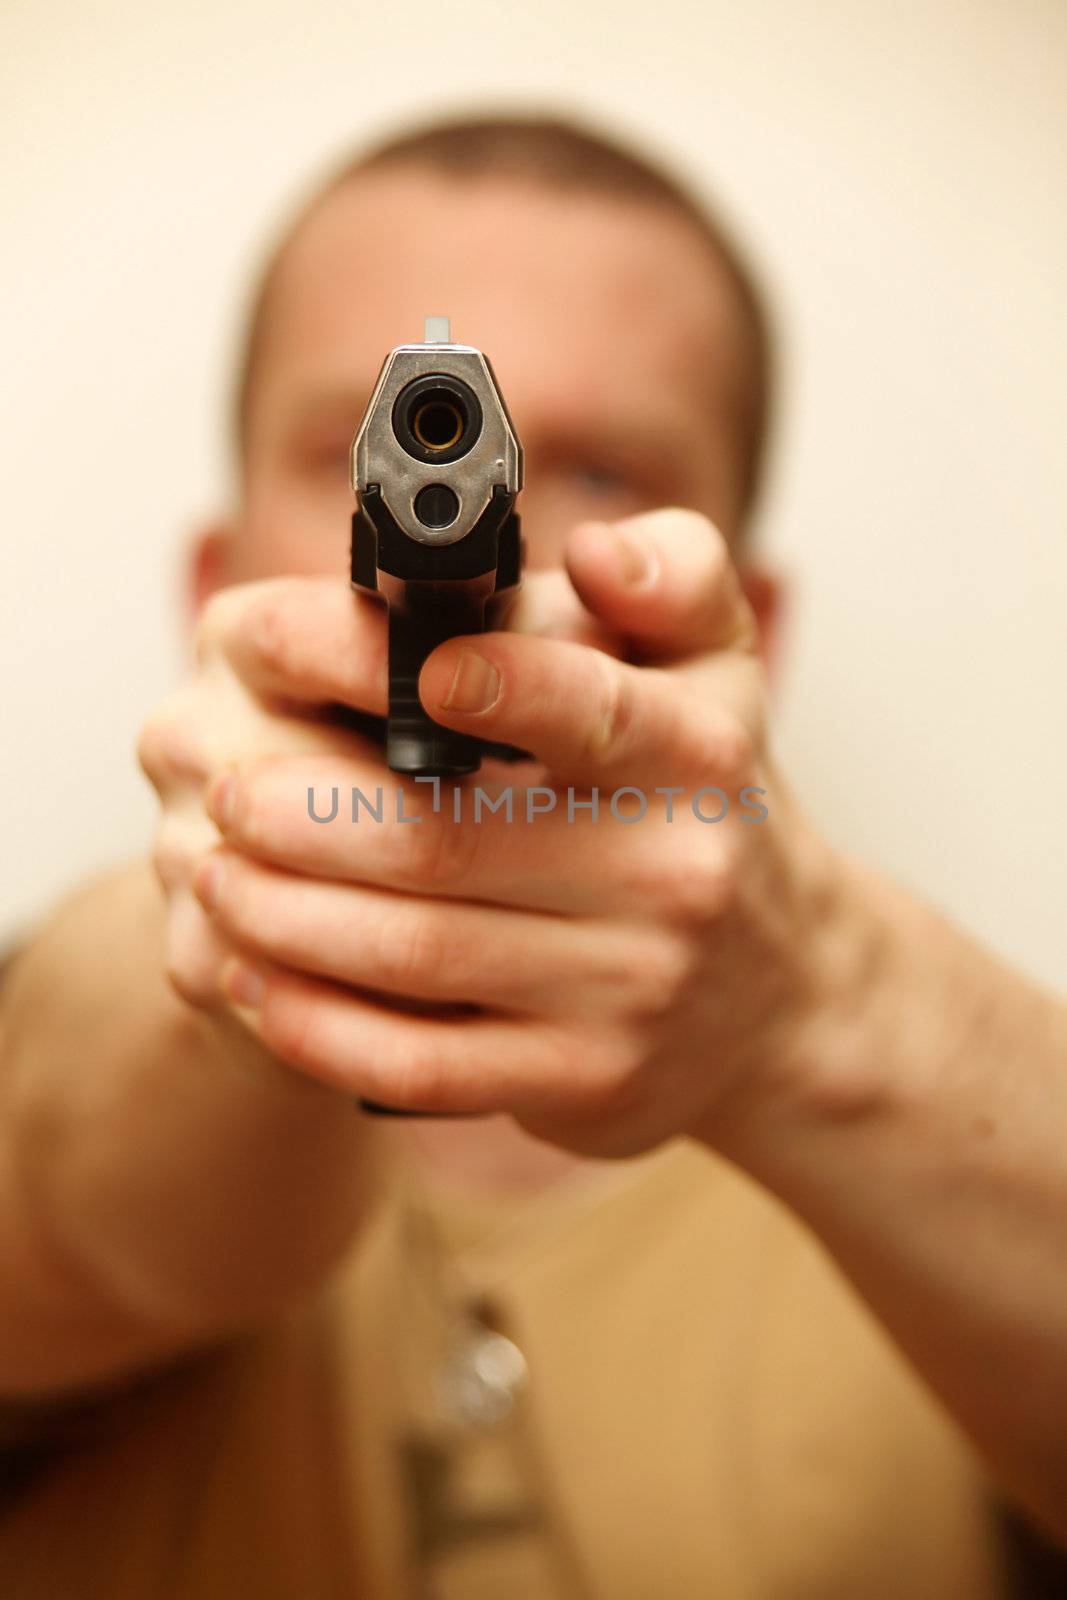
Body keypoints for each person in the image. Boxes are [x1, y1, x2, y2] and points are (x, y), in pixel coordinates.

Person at [1, 111, 1065, 1599]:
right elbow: (50, 1195)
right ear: (217, 579)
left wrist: (823, 1010)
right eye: (359, 436)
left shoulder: (943, 1190)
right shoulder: (72, 1042)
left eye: (614, 477)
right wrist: (258, 949)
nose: (507, 531)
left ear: (755, 618)